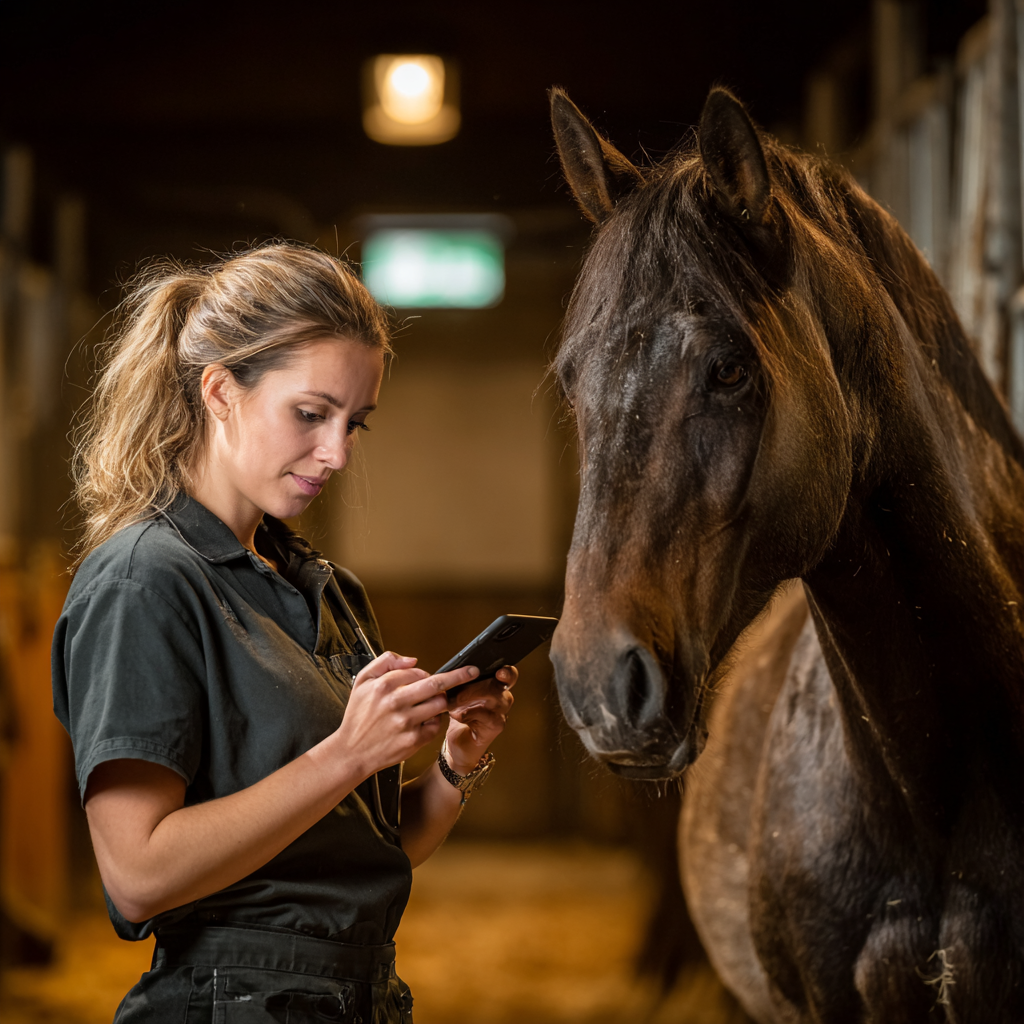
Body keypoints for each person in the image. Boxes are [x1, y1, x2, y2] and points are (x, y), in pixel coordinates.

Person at [51, 242, 515, 1023]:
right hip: (228, 1001)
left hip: (350, 995)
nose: (335, 453)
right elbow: (136, 873)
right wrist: (349, 752)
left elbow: (362, 857)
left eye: (354, 422)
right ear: (221, 391)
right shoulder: (143, 579)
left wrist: (451, 767)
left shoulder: (322, 586)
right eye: (310, 414)